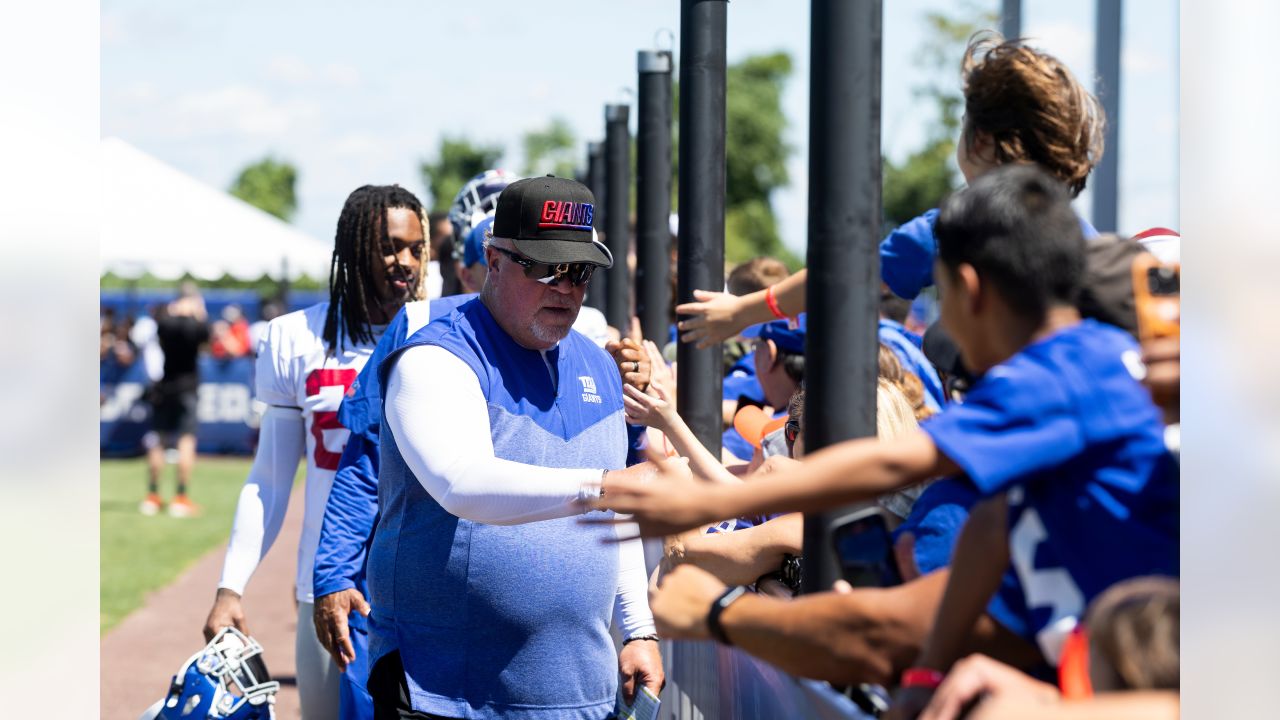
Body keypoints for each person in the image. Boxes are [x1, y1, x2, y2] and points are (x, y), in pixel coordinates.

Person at [595, 166, 1176, 684]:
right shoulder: (1088, 364)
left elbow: (895, 462)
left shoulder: (1054, 374)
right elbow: (986, 536)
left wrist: (704, 521)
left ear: (967, 291)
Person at [368, 175, 663, 719]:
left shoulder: (598, 363)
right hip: (447, 695)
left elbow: (613, 518)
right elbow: (462, 483)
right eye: (545, 267)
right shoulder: (436, 356)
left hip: (581, 693)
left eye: (580, 271)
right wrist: (606, 486)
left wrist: (638, 628)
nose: (566, 286)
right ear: (494, 258)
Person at [675, 31, 1104, 348]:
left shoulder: (958, 228)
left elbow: (845, 274)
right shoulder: (1083, 240)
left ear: (980, 141)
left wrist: (738, 312)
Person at [202, 184, 428, 720]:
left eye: (417, 249)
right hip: (328, 584)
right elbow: (271, 480)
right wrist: (230, 586)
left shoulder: (441, 332)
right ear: (354, 250)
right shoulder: (293, 339)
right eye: (391, 247)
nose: (406, 262)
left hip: (424, 586)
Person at [141, 282, 210, 517]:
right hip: (188, 388)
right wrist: (197, 314)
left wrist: (175, 313)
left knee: (158, 439)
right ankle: (180, 497)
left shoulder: (165, 323)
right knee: (186, 440)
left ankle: (152, 495)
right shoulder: (196, 325)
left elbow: (161, 330)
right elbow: (205, 336)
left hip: (165, 386)